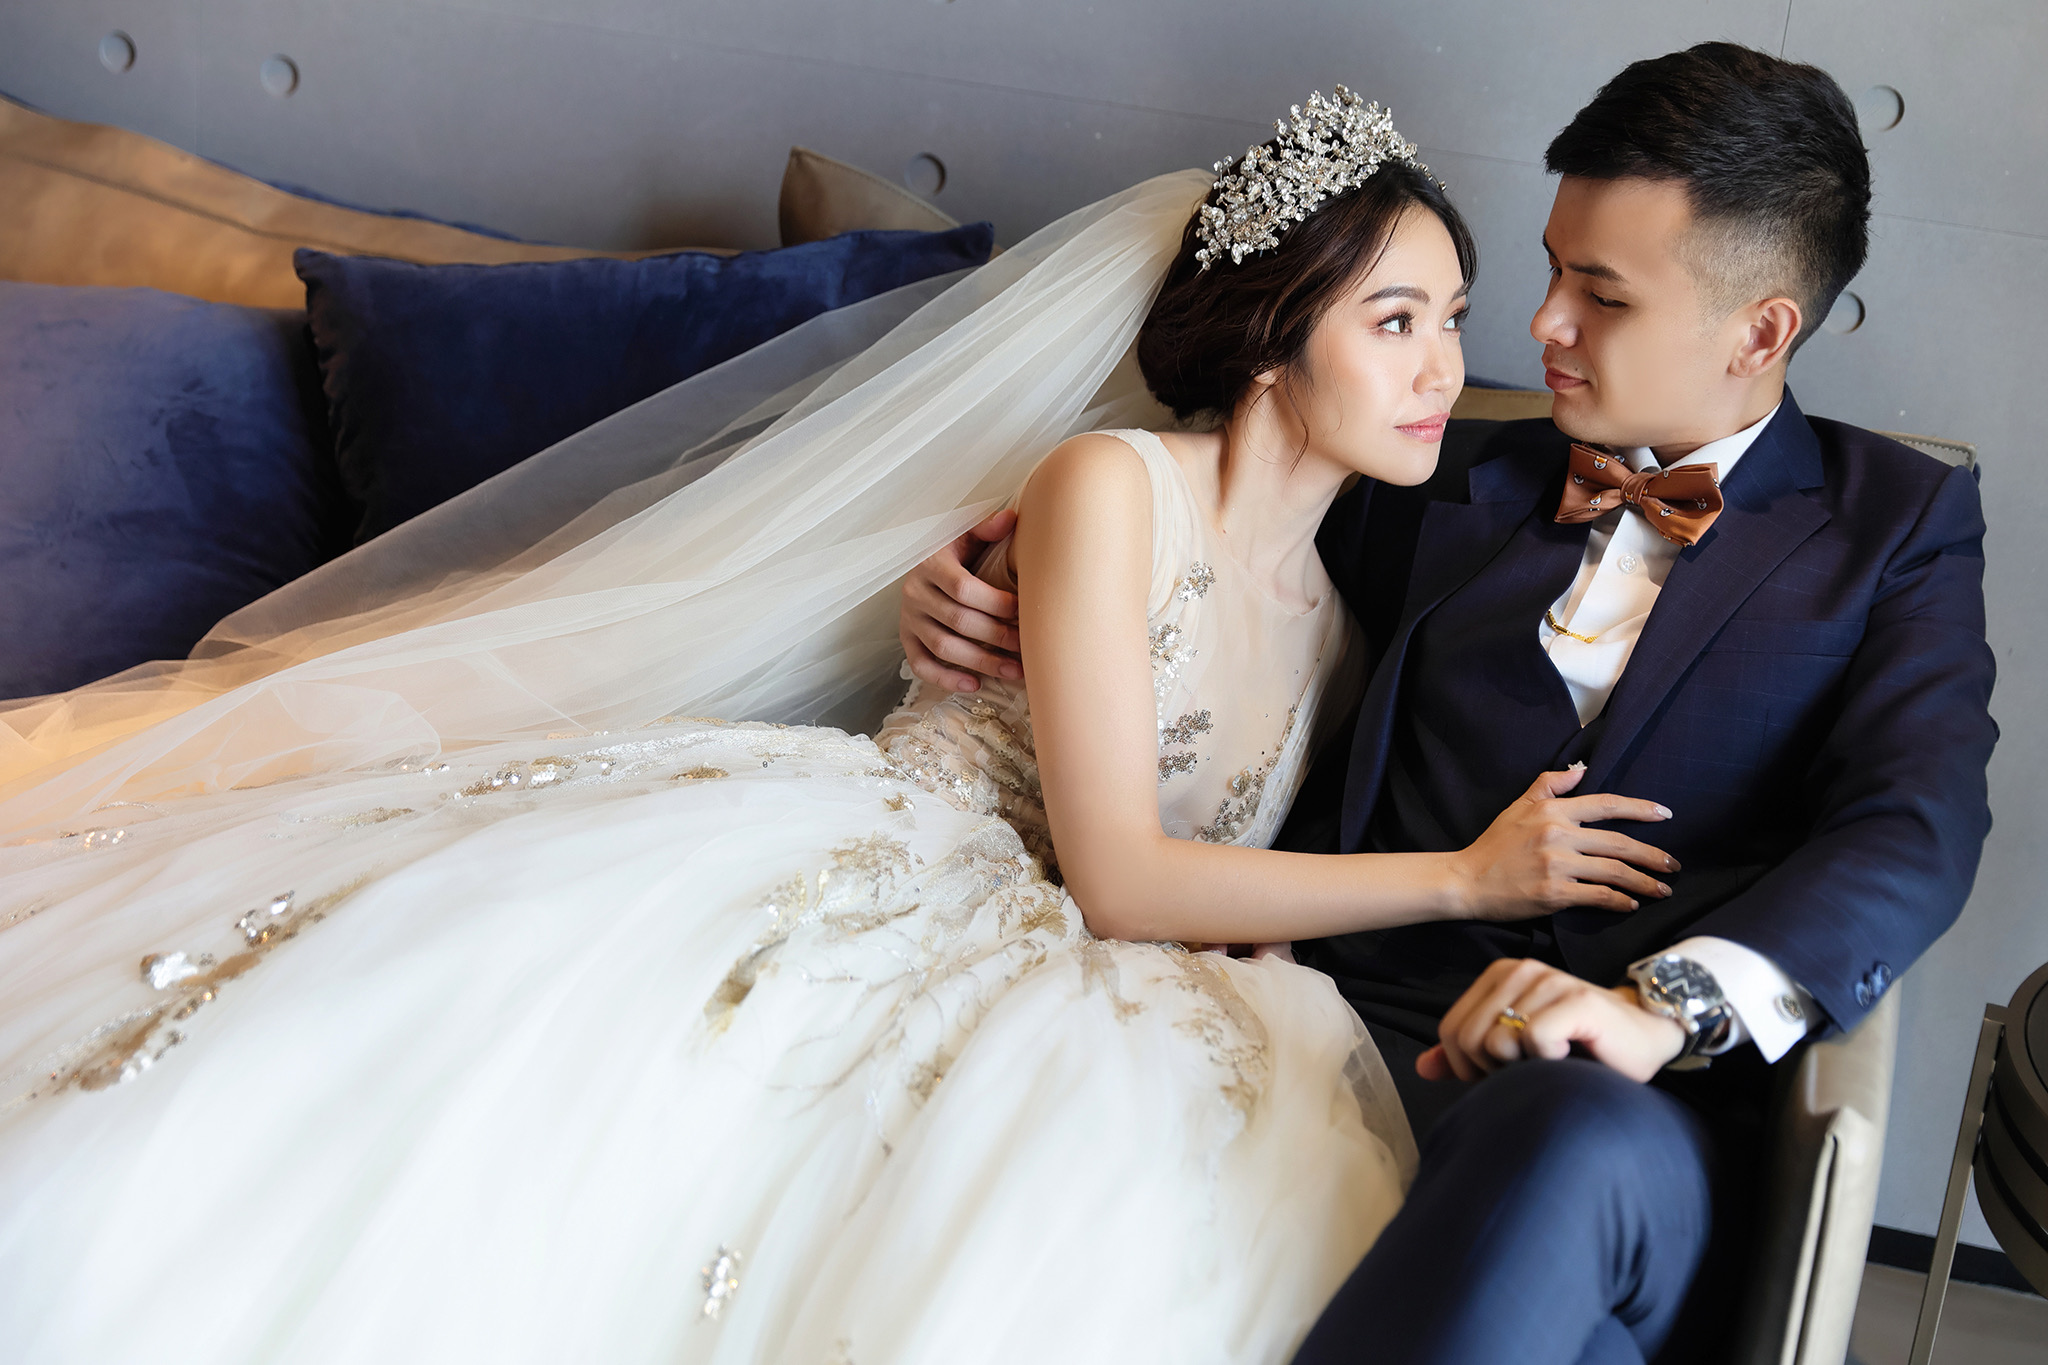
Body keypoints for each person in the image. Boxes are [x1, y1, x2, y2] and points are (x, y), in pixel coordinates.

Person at [0, 94, 1676, 1363]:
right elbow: (1119, 870)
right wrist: (1466, 876)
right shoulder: (1110, 485)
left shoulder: (1343, 628)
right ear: (1270, 334)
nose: (1447, 365)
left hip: (1089, 984)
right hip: (887, 867)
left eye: (1453, 315)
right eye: (1396, 319)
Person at [900, 44, 1997, 1365]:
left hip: (1629, 1105)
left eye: (1601, 294)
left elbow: (1916, 826)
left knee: (1565, 1147)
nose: (1541, 326)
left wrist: (1664, 1005)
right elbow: (1208, 538)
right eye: (1550, 270)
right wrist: (985, 576)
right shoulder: (1437, 471)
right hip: (1325, 1032)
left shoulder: (1896, 528)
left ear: (1760, 331)